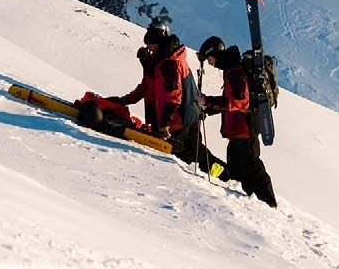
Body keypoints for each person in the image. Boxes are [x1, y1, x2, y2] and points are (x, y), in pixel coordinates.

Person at [113, 19, 220, 173]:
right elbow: (146, 88)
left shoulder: (170, 63)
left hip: (180, 121)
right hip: (180, 119)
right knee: (193, 155)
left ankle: (226, 176)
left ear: (159, 43)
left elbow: (173, 97)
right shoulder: (160, 62)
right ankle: (224, 175)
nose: (148, 47)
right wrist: (122, 101)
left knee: (190, 156)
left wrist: (165, 124)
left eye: (151, 43)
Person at [196, 35, 278, 207]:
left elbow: (239, 102)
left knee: (252, 168)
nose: (209, 63)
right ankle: (255, 202)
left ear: (214, 54)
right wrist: (209, 108)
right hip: (238, 132)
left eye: (209, 58)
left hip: (245, 130)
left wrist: (209, 102)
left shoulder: (234, 72)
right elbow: (230, 101)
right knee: (237, 171)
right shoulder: (230, 70)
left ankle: (269, 204)